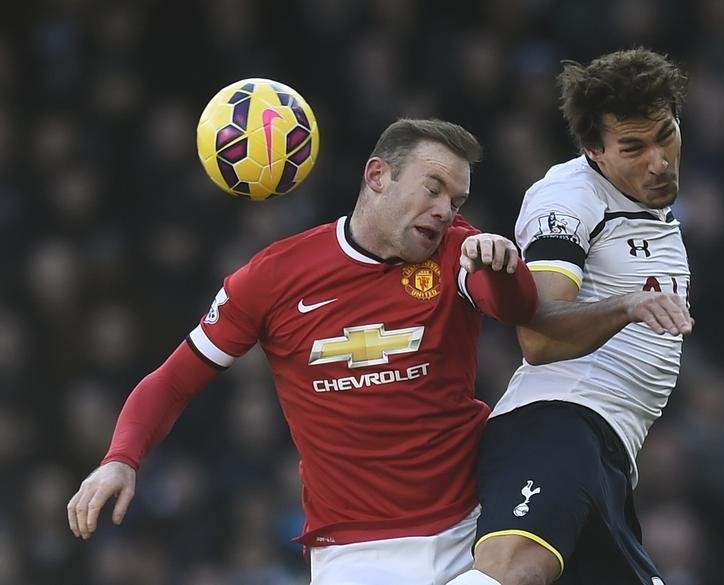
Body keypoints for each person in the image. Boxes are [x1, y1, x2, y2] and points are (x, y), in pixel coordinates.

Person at [67, 118, 540, 585]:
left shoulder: (460, 249)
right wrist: (120, 459)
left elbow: (516, 307)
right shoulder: (274, 277)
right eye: (433, 188)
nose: (444, 210)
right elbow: (172, 381)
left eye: (456, 200)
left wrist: (505, 267)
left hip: (475, 527)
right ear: (377, 176)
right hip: (357, 555)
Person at [447, 48, 694, 585]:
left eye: (665, 134)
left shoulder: (645, 207)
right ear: (594, 150)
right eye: (633, 147)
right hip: (559, 421)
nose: (659, 160)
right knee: (511, 573)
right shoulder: (570, 198)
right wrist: (627, 306)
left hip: (607, 454)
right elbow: (537, 333)